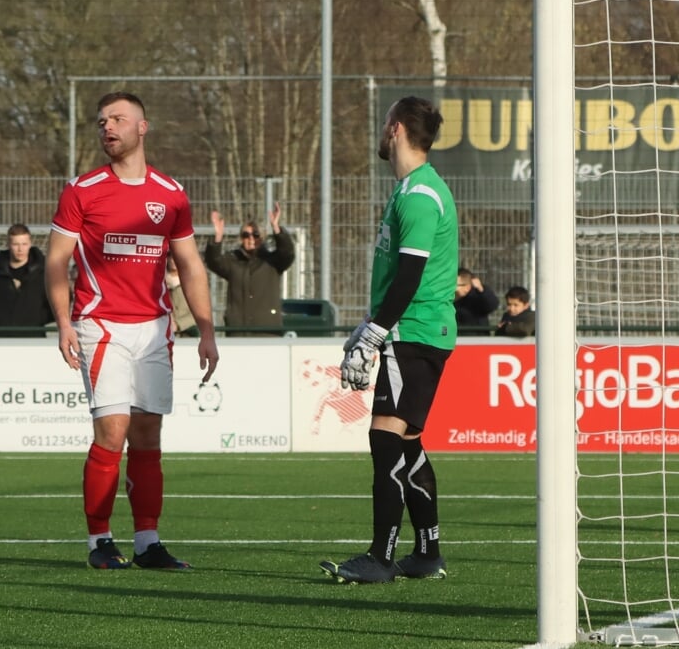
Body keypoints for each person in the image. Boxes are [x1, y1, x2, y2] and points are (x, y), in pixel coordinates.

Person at [45, 92, 219, 571]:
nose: (108, 127)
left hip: (155, 328)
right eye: (102, 121)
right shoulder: (82, 190)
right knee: (112, 430)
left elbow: (191, 265)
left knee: (148, 432)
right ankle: (99, 540)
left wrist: (206, 329)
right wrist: (64, 322)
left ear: (143, 127)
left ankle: (148, 542)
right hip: (100, 326)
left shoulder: (170, 193)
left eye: (118, 119)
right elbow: (57, 259)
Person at [320, 95, 459, 585]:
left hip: (414, 333)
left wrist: (377, 332)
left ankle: (380, 558)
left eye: (384, 125)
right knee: (409, 443)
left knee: (385, 440)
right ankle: (426, 553)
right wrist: (371, 324)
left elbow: (411, 274)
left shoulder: (420, 194)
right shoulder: (413, 189)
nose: (382, 132)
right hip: (417, 331)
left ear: (395, 128)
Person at [204, 205, 295, 336]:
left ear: (262, 237)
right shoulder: (233, 261)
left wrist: (277, 228)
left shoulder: (272, 261)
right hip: (239, 331)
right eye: (246, 235)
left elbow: (287, 253)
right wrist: (217, 237)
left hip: (267, 332)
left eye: (256, 234)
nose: (251, 239)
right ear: (241, 238)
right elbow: (214, 261)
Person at [0, 223, 53, 338]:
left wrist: (35, 319)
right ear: (8, 244)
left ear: (30, 244)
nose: (20, 249)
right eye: (15, 244)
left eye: (24, 244)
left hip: (35, 339)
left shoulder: (42, 274)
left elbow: (56, 304)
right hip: (3, 339)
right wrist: (2, 319)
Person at [453, 266, 498, 334]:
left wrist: (481, 289)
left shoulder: (478, 296)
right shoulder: (450, 297)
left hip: (478, 338)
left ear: (468, 285)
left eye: (459, 285)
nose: (456, 288)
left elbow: (492, 305)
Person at [165, 254, 197, 337]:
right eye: (170, 257)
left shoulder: (192, 284)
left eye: (176, 258)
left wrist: (178, 324)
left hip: (186, 335)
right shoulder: (160, 282)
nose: (173, 261)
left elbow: (199, 313)